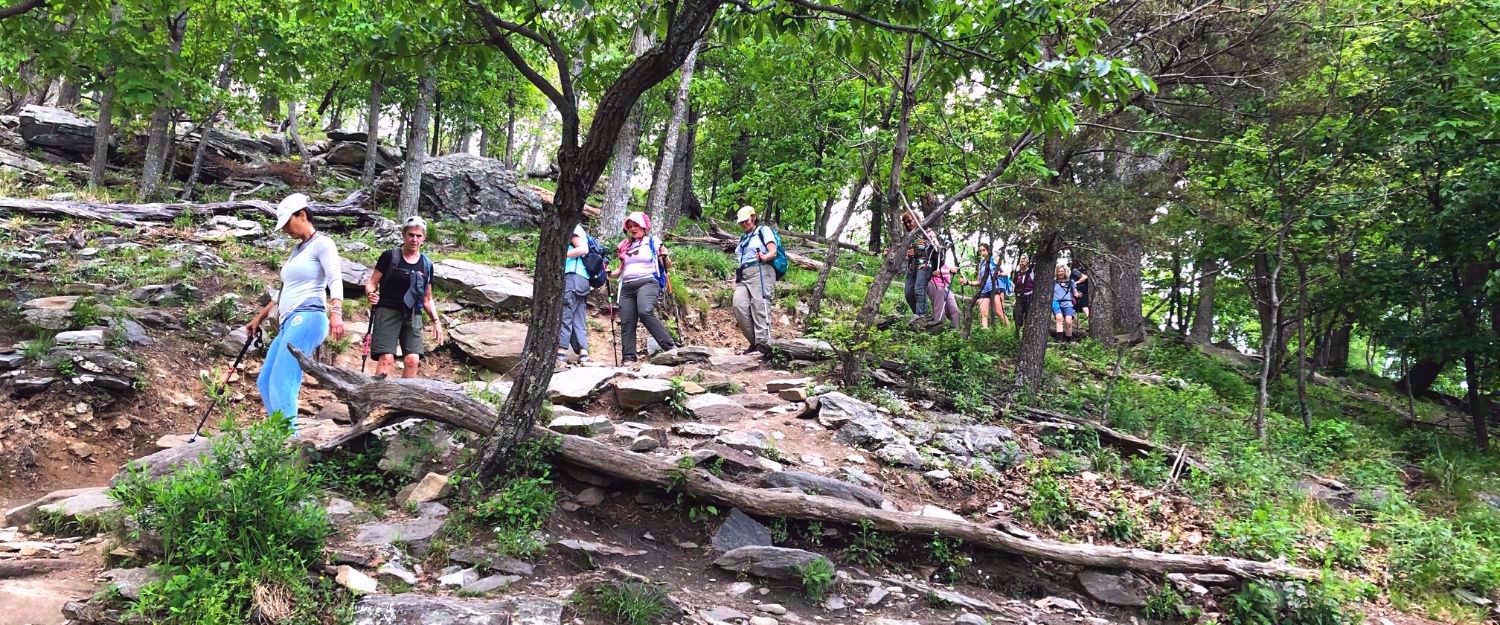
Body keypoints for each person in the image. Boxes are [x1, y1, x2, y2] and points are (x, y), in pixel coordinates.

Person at [245, 193, 345, 432]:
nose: (285, 230)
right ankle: (280, 435)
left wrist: (336, 312)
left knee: (282, 380)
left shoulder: (323, 243)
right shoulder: (297, 250)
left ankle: (289, 440)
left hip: (308, 316)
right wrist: (259, 317)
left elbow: (335, 278)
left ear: (302, 215)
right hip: (289, 320)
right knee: (265, 381)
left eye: (287, 224)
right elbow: (283, 291)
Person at [365, 216, 444, 379]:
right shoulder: (389, 257)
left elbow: (427, 298)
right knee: (386, 358)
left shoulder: (426, 264)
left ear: (424, 238)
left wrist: (436, 322)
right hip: (387, 311)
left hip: (413, 314)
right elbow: (371, 283)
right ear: (403, 235)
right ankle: (379, 393)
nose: (414, 239)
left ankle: (404, 396)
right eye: (411, 235)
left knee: (412, 360)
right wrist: (371, 294)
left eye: (418, 236)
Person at [613, 211, 677, 363]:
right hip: (626, 287)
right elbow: (620, 270)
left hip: (647, 282)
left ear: (643, 226)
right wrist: (608, 273)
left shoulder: (653, 241)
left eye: (636, 225)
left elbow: (666, 265)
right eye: (630, 226)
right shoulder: (626, 246)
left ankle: (670, 347)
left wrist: (665, 256)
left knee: (645, 311)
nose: (632, 229)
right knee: (627, 320)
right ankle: (628, 358)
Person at [733, 206, 778, 355]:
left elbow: (773, 252)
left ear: (753, 217)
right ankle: (757, 344)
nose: (744, 224)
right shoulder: (743, 237)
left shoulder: (763, 231)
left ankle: (764, 345)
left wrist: (764, 257)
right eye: (741, 222)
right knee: (739, 306)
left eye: (746, 220)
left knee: (760, 307)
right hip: (743, 275)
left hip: (761, 270)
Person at [558, 219, 594, 368]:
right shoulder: (579, 229)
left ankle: (560, 352)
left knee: (565, 312)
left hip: (572, 275)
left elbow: (582, 249)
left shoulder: (572, 226)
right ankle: (583, 353)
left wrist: (560, 255)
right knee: (578, 315)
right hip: (583, 279)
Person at [966, 243, 1012, 329]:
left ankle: (1010, 331)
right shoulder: (981, 264)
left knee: (999, 311)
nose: (982, 252)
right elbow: (979, 281)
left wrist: (1000, 274)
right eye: (980, 251)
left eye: (984, 250)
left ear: (988, 250)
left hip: (996, 286)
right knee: (983, 314)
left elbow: (1007, 271)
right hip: (984, 289)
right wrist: (967, 282)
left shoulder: (994, 258)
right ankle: (985, 334)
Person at [901, 213, 932, 319]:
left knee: (919, 290)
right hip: (912, 267)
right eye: (905, 223)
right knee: (908, 293)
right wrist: (908, 254)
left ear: (916, 219)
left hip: (924, 265)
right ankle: (916, 315)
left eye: (910, 221)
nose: (908, 224)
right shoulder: (908, 236)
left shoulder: (927, 231)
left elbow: (935, 247)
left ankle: (921, 315)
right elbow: (905, 255)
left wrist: (920, 249)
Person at [925, 239, 961, 329]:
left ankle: (957, 331)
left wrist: (950, 271)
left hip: (945, 286)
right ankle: (938, 329)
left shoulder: (944, 257)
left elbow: (947, 275)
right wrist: (948, 271)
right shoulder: (930, 254)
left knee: (954, 310)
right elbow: (932, 272)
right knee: (940, 310)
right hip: (935, 284)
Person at [1052, 265, 1081, 341]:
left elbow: (1075, 292)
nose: (1060, 273)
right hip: (1056, 302)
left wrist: (1078, 295)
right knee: (1059, 318)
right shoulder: (1054, 282)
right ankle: (1059, 339)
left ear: (1065, 272)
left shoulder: (1070, 282)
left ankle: (1068, 339)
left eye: (1062, 271)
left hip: (1067, 303)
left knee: (1068, 321)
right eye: (1059, 271)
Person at [1013, 255, 1035, 331]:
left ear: (1027, 262)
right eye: (1021, 260)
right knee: (1016, 314)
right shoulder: (1017, 273)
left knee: (1028, 314)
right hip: (1019, 296)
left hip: (1029, 296)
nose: (1022, 262)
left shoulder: (1031, 272)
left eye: (1024, 260)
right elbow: (1016, 286)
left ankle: (1026, 330)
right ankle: (1018, 331)